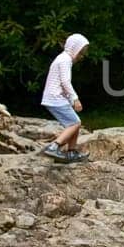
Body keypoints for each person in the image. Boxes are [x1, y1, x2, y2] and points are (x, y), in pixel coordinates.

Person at [39, 33, 90, 162]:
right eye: (80, 53)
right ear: (74, 48)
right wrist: (75, 98)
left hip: (56, 97)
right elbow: (65, 81)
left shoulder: (63, 59)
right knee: (74, 123)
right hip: (55, 98)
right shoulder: (65, 60)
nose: (81, 56)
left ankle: (71, 152)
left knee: (74, 122)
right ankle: (53, 147)